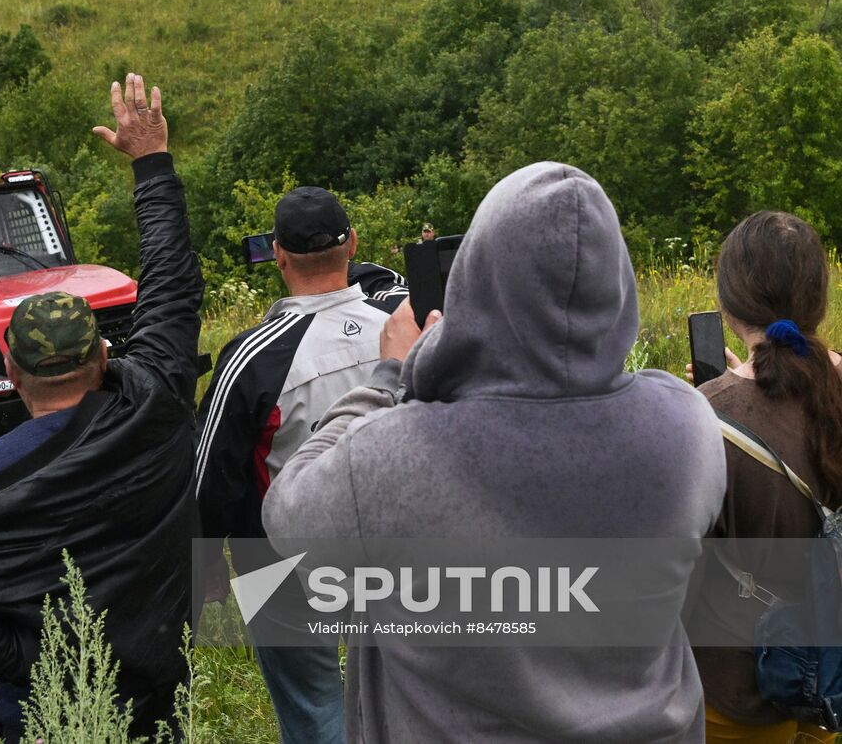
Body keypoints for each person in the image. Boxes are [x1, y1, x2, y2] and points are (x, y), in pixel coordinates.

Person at [263, 162, 727, 742]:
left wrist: (394, 373)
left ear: (475, 283)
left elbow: (287, 515)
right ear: (620, 282)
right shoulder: (688, 424)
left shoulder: (399, 455)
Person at [0, 73, 203, 743]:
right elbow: (172, 283)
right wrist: (152, 161)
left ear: (11, 370)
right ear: (104, 356)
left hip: (42, 715)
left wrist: (51, 660)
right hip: (163, 700)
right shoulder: (156, 405)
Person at [195, 186, 397, 744]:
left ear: (277, 254)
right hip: (395, 541)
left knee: (314, 711)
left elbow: (211, 472)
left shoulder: (253, 354)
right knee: (398, 696)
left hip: (280, 556)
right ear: (352, 242)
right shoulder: (400, 324)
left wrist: (207, 558)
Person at [687, 211, 842, 743]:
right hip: (829, 685)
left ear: (730, 304)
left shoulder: (704, 414)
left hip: (736, 698)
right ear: (818, 298)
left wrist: (724, 394)